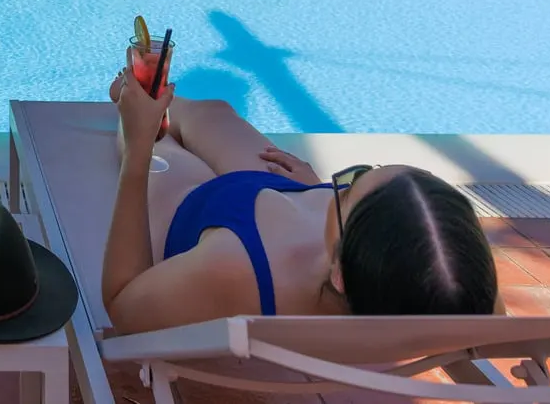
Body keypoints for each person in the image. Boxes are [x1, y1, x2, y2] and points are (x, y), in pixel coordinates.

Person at [101, 69, 500, 334]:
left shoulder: (229, 271)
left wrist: (137, 151)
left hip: (199, 215)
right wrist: (316, 189)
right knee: (213, 112)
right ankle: (151, 102)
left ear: (340, 273)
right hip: (282, 191)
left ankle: (132, 105)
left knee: (157, 141)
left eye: (346, 192)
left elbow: (122, 306)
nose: (334, 188)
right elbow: (477, 299)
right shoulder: (448, 285)